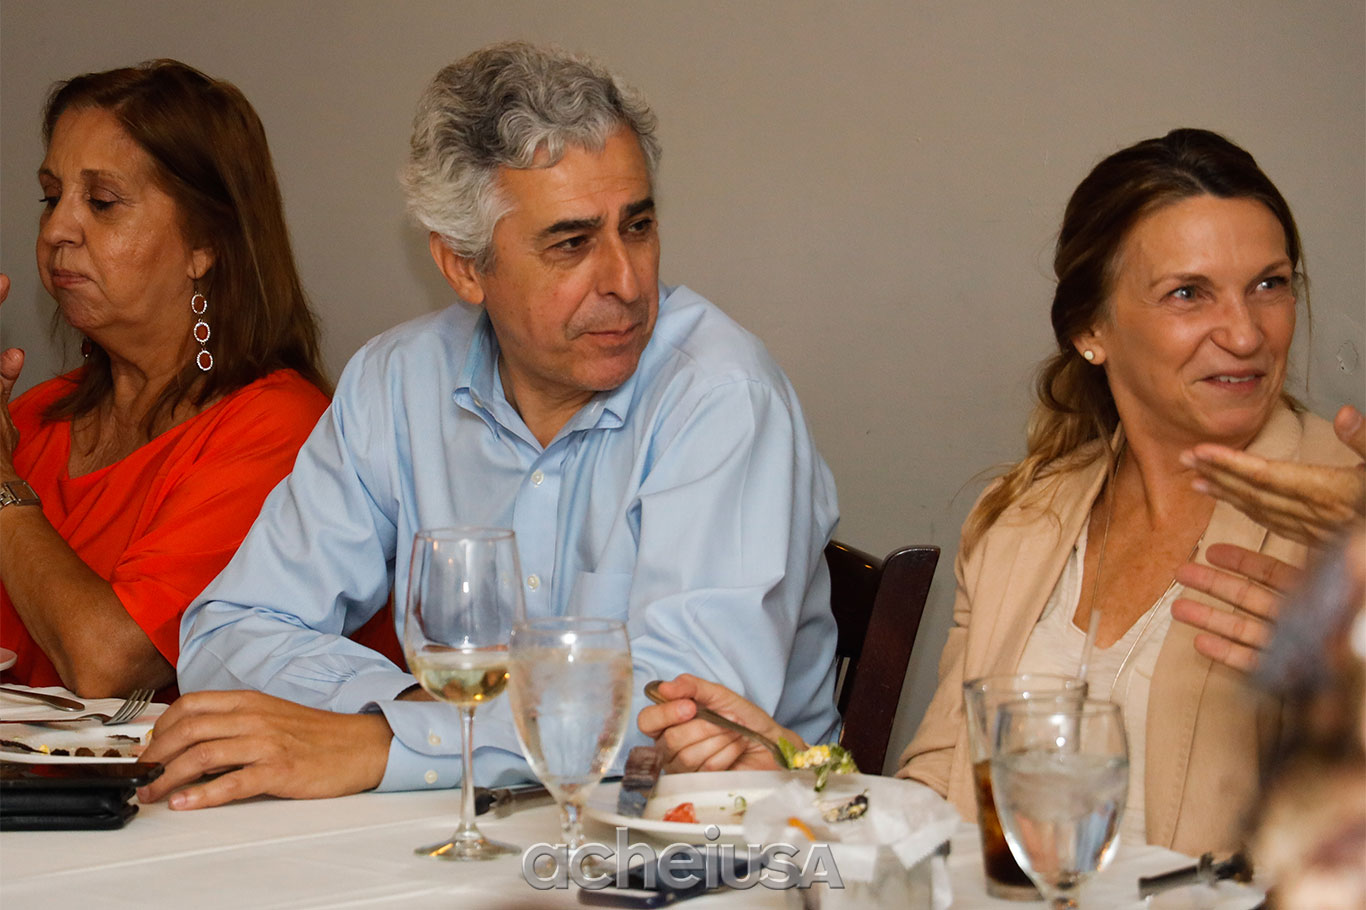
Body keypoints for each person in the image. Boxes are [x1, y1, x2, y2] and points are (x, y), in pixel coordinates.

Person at [137, 41, 839, 811]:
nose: (626, 281)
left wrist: (391, 743)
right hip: (462, 828)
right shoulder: (397, 382)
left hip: (707, 843)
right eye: (572, 243)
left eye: (637, 227)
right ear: (465, 268)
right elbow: (231, 629)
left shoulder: (722, 396)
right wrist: (411, 715)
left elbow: (681, 717)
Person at [640, 129, 1363, 856]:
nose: (1245, 333)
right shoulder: (1021, 521)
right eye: (1188, 293)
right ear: (1091, 328)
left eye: (1269, 284)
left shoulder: (1348, 511)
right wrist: (796, 783)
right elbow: (940, 808)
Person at [0, 60, 334, 699]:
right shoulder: (30, 419)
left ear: (204, 244)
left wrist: (1, 487)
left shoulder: (280, 430)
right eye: (50, 197)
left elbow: (110, 664)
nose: (57, 229)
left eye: (102, 202)